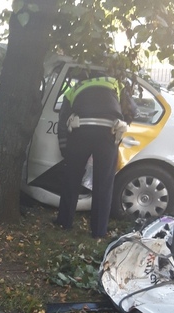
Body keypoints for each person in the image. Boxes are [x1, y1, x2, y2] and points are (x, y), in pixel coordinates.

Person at [54, 70, 138, 238]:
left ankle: (64, 222)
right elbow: (133, 111)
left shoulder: (76, 87)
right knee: (104, 183)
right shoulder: (116, 84)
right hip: (108, 132)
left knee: (72, 178)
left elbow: (63, 120)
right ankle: (98, 231)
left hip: (80, 132)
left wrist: (66, 150)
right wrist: (122, 123)